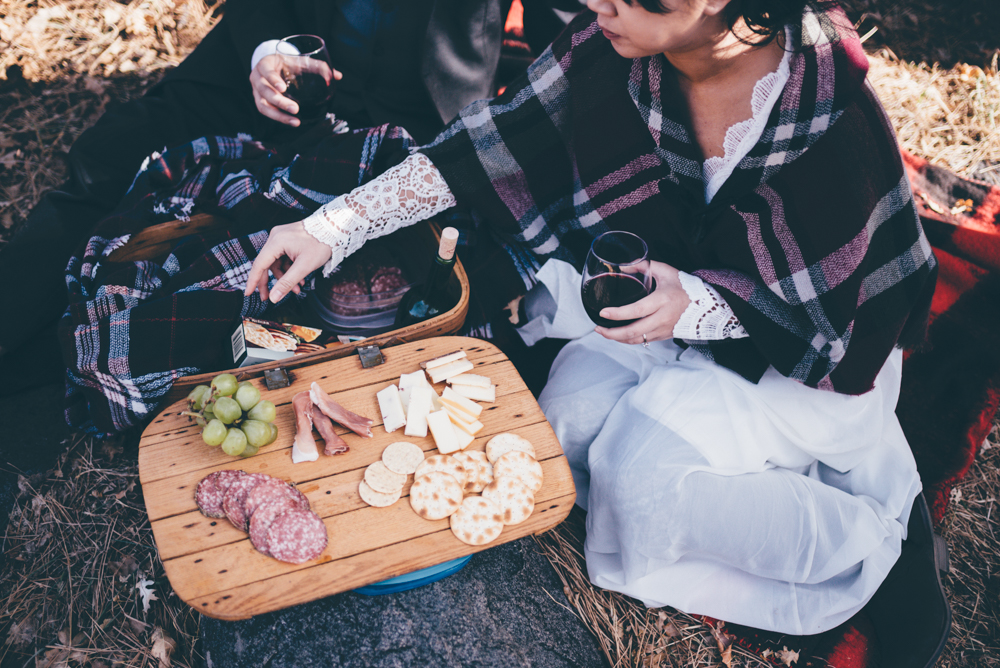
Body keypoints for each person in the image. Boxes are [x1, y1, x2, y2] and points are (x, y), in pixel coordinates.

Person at [242, 0, 948, 657]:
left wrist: (701, 303)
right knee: (562, 434)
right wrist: (334, 226)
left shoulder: (834, 123)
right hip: (660, 314)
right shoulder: (611, 47)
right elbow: (490, 143)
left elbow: (837, 310)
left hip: (798, 352)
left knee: (636, 487)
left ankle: (875, 545)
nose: (602, 3)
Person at [0, 0, 563, 376]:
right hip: (278, 76)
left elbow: (570, 34)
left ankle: (79, 357)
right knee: (117, 159)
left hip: (416, 113)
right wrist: (265, 51)